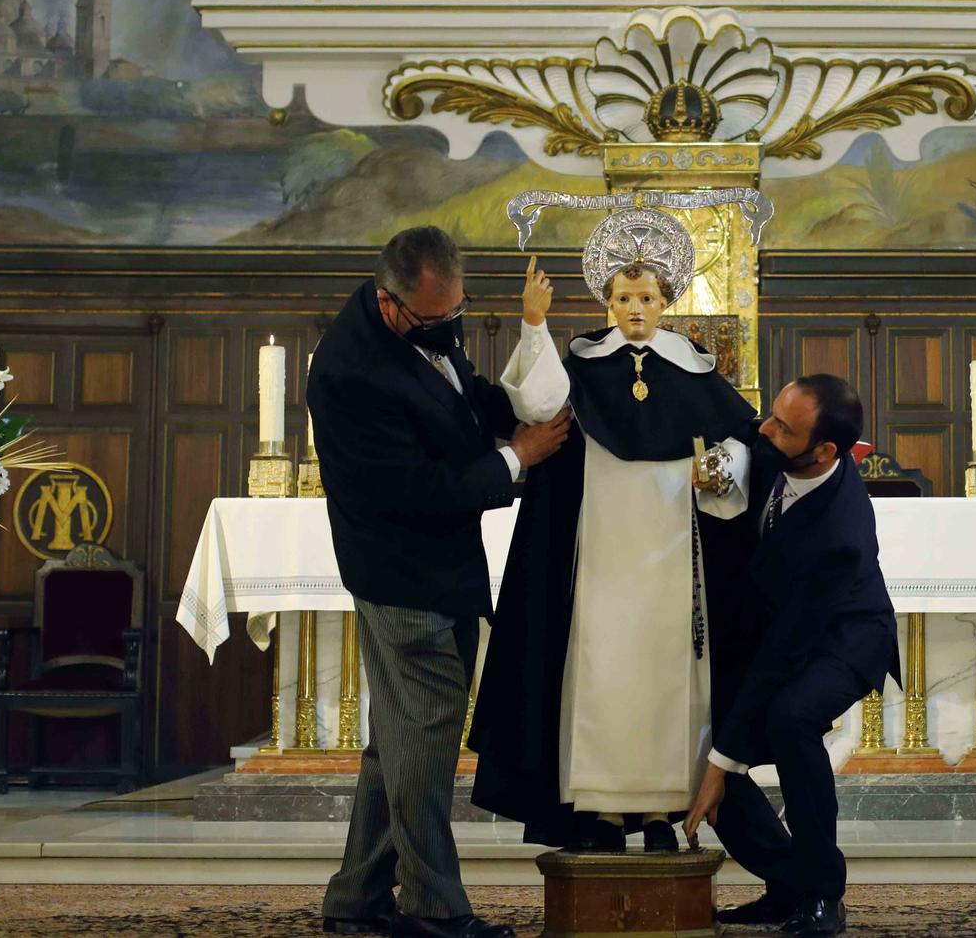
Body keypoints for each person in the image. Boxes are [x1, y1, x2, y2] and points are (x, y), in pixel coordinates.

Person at [309, 227, 572, 938]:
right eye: (438, 319)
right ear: (394, 307)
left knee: (396, 740)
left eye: (458, 311)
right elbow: (418, 487)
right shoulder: (348, 373)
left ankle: (357, 896)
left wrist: (524, 410)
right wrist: (515, 459)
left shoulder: (430, 323)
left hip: (440, 567)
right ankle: (433, 907)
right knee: (425, 741)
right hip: (403, 575)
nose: (452, 328)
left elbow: (464, 395)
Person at [471, 209, 761, 853]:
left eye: (649, 297)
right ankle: (600, 808)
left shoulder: (690, 367)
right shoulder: (585, 362)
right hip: (599, 551)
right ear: (607, 301)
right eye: (625, 297)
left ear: (667, 303)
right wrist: (535, 322)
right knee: (600, 665)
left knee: (666, 672)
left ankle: (661, 811)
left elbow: (746, 439)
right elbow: (539, 405)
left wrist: (722, 467)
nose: (636, 307)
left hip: (671, 555)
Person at [683, 374, 899, 938]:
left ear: (825, 451)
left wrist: (721, 764)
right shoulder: (784, 444)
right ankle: (788, 885)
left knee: (786, 720)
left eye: (782, 427)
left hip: (846, 636)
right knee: (712, 735)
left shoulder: (838, 532)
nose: (764, 428)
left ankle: (824, 894)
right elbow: (741, 429)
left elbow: (785, 651)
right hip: (780, 627)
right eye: (773, 414)